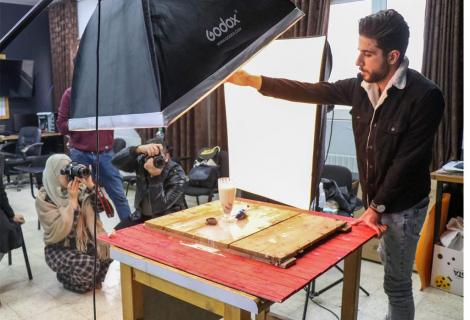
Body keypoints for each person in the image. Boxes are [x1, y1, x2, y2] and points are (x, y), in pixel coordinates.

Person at [227, 9, 444, 320]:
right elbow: (313, 91)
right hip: (377, 204)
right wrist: (255, 81)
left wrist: (375, 207)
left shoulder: (425, 96)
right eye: (359, 51)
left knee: (396, 284)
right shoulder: (360, 87)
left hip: (404, 207)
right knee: (390, 269)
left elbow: (407, 162)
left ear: (393, 56)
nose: (358, 61)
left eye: (367, 54)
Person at [35, 154, 112, 293]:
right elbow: (65, 231)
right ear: (53, 174)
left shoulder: (81, 190)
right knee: (90, 266)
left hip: (83, 243)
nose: (69, 175)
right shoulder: (45, 199)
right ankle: (65, 278)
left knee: (107, 249)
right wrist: (72, 203)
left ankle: (91, 279)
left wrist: (90, 186)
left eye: (70, 169)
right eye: (64, 172)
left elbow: (104, 209)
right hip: (60, 247)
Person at [57, 87, 132, 221]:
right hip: (80, 152)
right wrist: (84, 120)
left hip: (106, 152)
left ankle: (130, 233)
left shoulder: (109, 93)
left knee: (119, 195)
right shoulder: (71, 94)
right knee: (82, 197)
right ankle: (91, 235)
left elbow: (120, 118)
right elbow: (61, 126)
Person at [111, 140, 186, 229]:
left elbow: (159, 208)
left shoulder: (176, 172)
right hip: (141, 216)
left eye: (158, 156)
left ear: (167, 156)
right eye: (149, 156)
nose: (153, 160)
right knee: (115, 234)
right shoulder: (142, 163)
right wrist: (137, 149)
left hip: (167, 219)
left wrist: (155, 177)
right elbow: (115, 162)